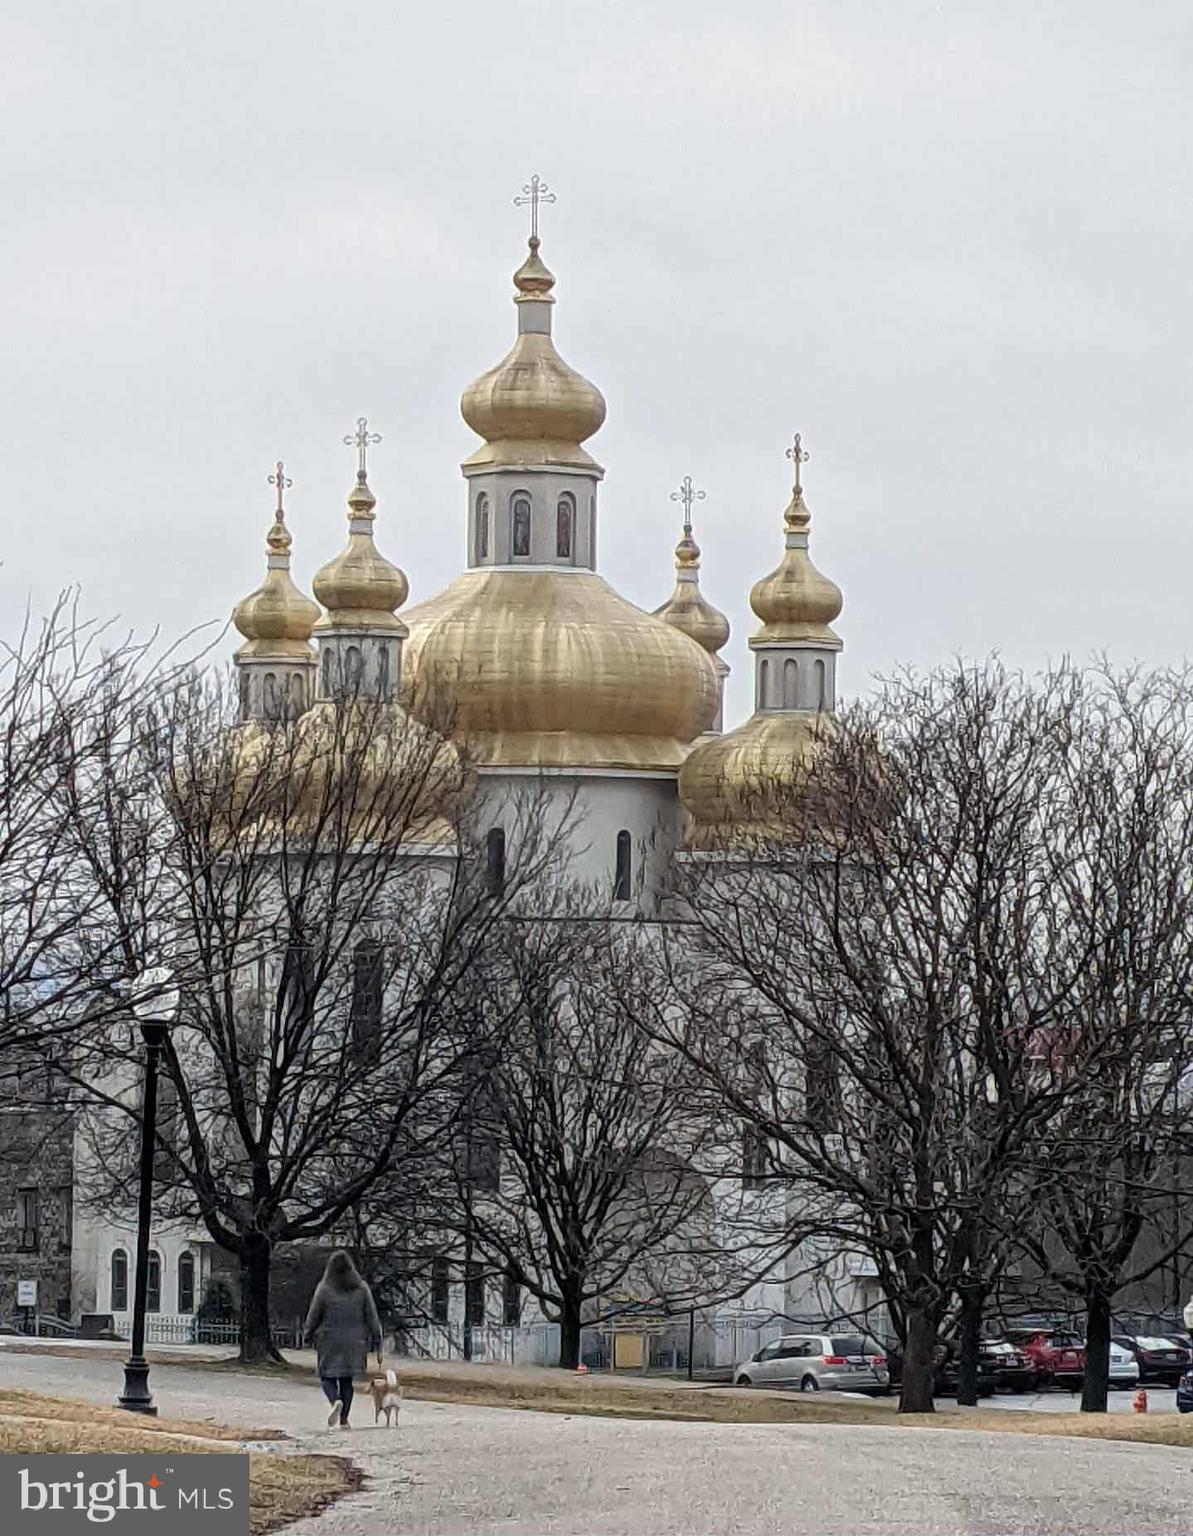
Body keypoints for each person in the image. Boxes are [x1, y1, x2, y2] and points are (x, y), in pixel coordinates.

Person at [303, 1250, 383, 1428]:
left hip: (329, 1340)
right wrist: (377, 1338)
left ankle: (335, 1400)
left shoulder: (324, 1289)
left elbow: (314, 1314)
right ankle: (344, 1420)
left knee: (326, 1376)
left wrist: (308, 1334)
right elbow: (372, 1316)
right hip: (355, 1342)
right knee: (347, 1380)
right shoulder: (362, 1289)